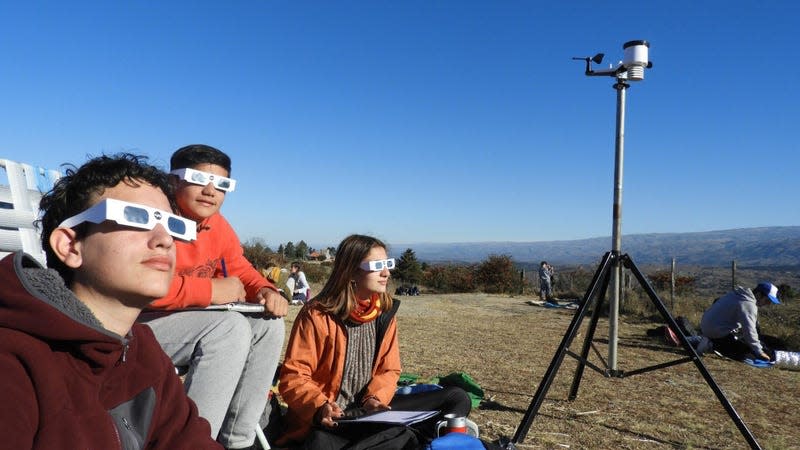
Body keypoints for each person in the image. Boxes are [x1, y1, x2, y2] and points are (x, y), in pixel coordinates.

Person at [0, 153, 222, 449]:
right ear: (70, 246)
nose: (164, 239)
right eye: (134, 217)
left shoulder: (144, 351)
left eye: (171, 225)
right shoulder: (15, 362)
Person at [139, 144, 288, 450]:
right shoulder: (153, 217)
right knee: (228, 328)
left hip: (186, 322)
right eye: (198, 179)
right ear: (173, 181)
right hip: (138, 323)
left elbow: (239, 267)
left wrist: (265, 289)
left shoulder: (216, 225)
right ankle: (195, 443)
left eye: (222, 184)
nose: (210, 191)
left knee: (268, 326)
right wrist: (210, 291)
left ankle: (238, 441)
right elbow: (135, 283)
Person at [277, 234, 472, 449]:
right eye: (377, 265)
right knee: (320, 442)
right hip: (331, 416)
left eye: (388, 263)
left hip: (370, 410)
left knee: (457, 397)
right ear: (351, 271)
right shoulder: (317, 314)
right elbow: (294, 376)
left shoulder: (384, 312)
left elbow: (389, 369)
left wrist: (375, 399)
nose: (386, 272)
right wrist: (320, 406)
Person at [700, 282, 781, 361]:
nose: (768, 304)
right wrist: (759, 352)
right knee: (747, 354)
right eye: (767, 301)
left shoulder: (738, 294)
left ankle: (710, 341)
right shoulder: (749, 304)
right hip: (717, 332)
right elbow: (749, 331)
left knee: (747, 343)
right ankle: (711, 345)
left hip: (707, 326)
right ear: (759, 295)